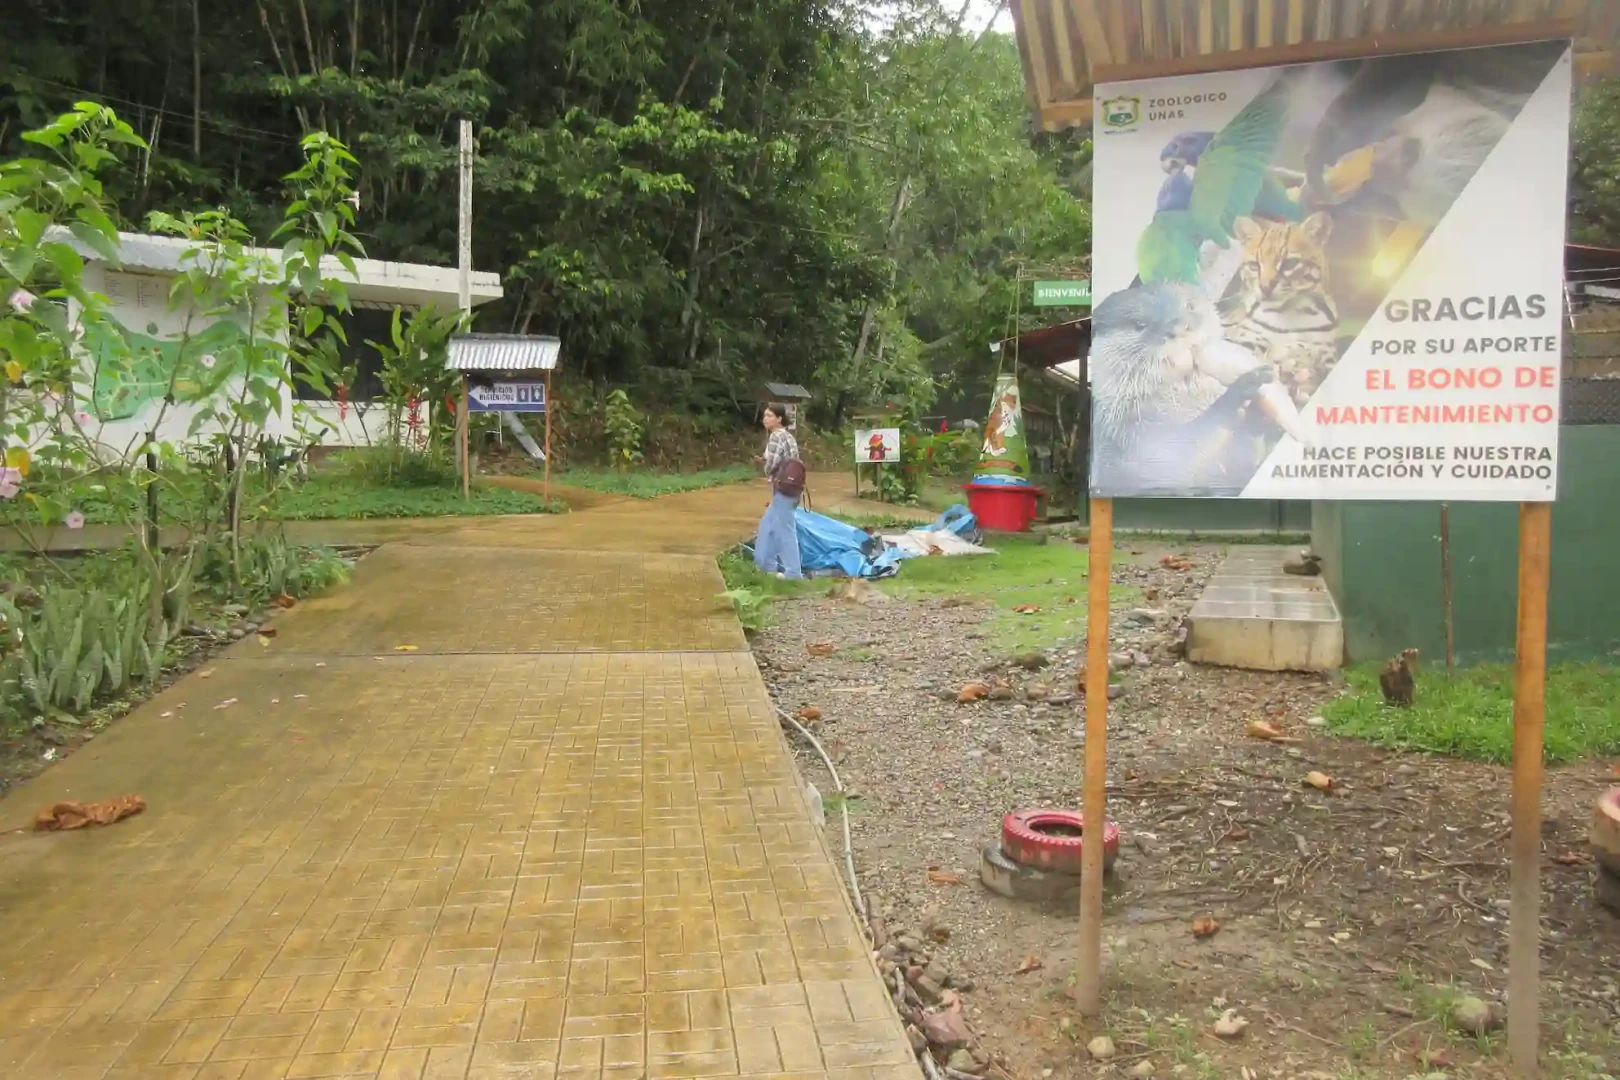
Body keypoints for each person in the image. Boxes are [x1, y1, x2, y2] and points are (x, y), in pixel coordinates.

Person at [753, 403, 804, 580]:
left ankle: (793, 573)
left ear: (779, 418)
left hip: (782, 488)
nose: (765, 419)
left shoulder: (776, 436)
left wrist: (765, 465)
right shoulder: (788, 436)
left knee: (785, 530)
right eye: (764, 416)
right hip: (792, 487)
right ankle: (766, 566)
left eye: (769, 416)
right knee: (768, 526)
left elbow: (772, 464)